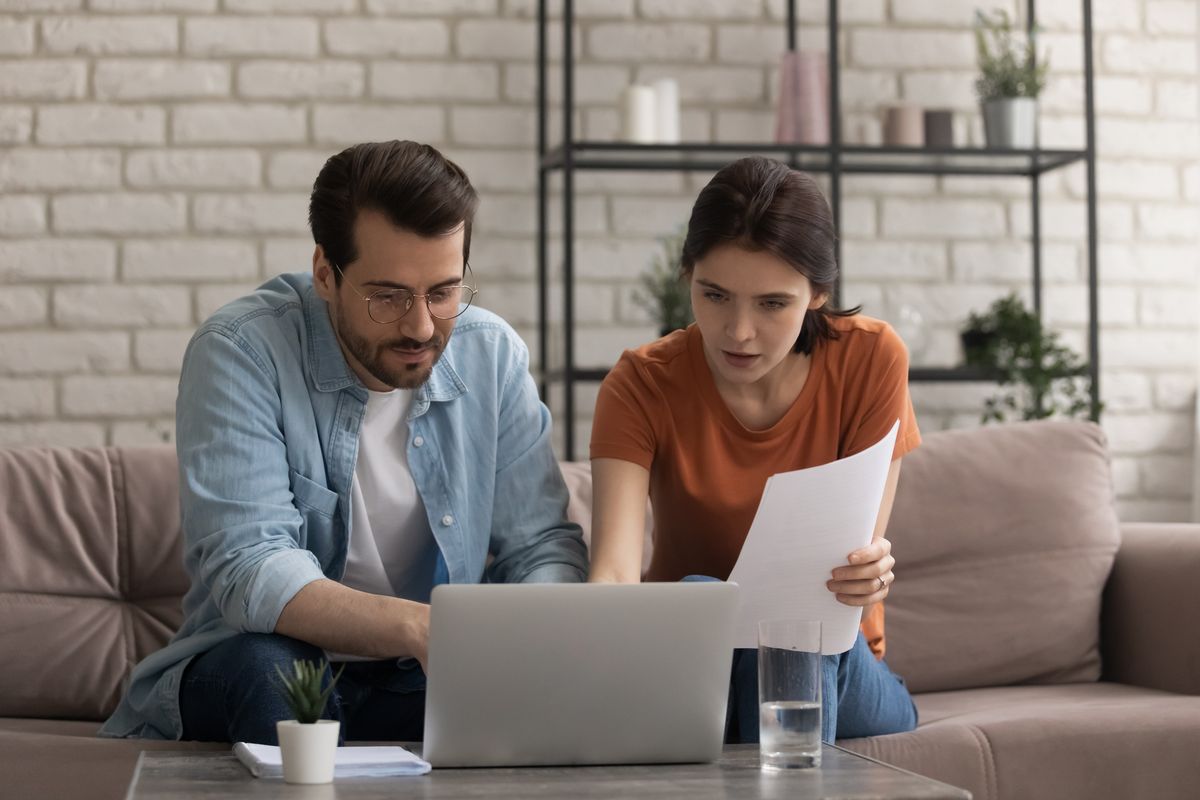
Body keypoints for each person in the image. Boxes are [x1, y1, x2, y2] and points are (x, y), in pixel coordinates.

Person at [101, 140, 588, 744]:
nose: (419, 326)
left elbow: (541, 546)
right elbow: (250, 567)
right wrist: (420, 629)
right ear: (326, 274)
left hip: (425, 672)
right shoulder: (241, 350)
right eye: (387, 296)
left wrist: (515, 640)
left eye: (443, 292)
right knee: (275, 675)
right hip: (267, 661)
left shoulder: (491, 353)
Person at [587, 156, 919, 743]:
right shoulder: (641, 384)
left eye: (772, 304)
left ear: (818, 292)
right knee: (701, 598)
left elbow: (853, 557)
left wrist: (870, 575)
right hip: (695, 658)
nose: (738, 332)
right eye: (714, 295)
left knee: (796, 628)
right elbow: (613, 574)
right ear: (686, 273)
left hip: (835, 661)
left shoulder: (872, 360)